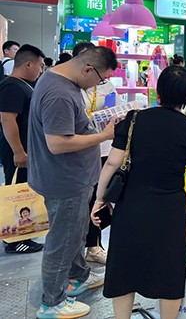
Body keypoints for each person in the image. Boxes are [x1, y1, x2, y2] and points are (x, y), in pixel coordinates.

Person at [92, 66, 186, 319]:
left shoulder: (133, 120)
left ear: (159, 91)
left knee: (124, 266)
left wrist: (100, 198)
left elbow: (112, 163)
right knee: (170, 270)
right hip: (170, 209)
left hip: (131, 204)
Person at [28, 46, 118, 319]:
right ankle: (52, 302)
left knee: (75, 233)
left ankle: (77, 277)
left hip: (71, 177)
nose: (98, 86)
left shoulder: (62, 81)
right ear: (88, 69)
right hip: (65, 181)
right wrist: (104, 136)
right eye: (100, 80)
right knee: (63, 241)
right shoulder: (60, 92)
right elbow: (57, 143)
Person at [73, 42, 120, 265]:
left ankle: (93, 245)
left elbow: (112, 111)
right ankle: (75, 248)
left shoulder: (106, 86)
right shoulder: (69, 86)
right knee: (77, 200)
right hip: (76, 149)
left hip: (102, 148)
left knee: (97, 199)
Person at [0, 44, 45, 254]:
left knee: (24, 193)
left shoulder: (23, 85)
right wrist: (18, 151)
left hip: (25, 150)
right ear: (28, 64)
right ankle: (14, 241)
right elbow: (7, 119)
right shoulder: (12, 86)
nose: (41, 70)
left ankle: (21, 235)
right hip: (17, 151)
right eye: (40, 65)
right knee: (16, 193)